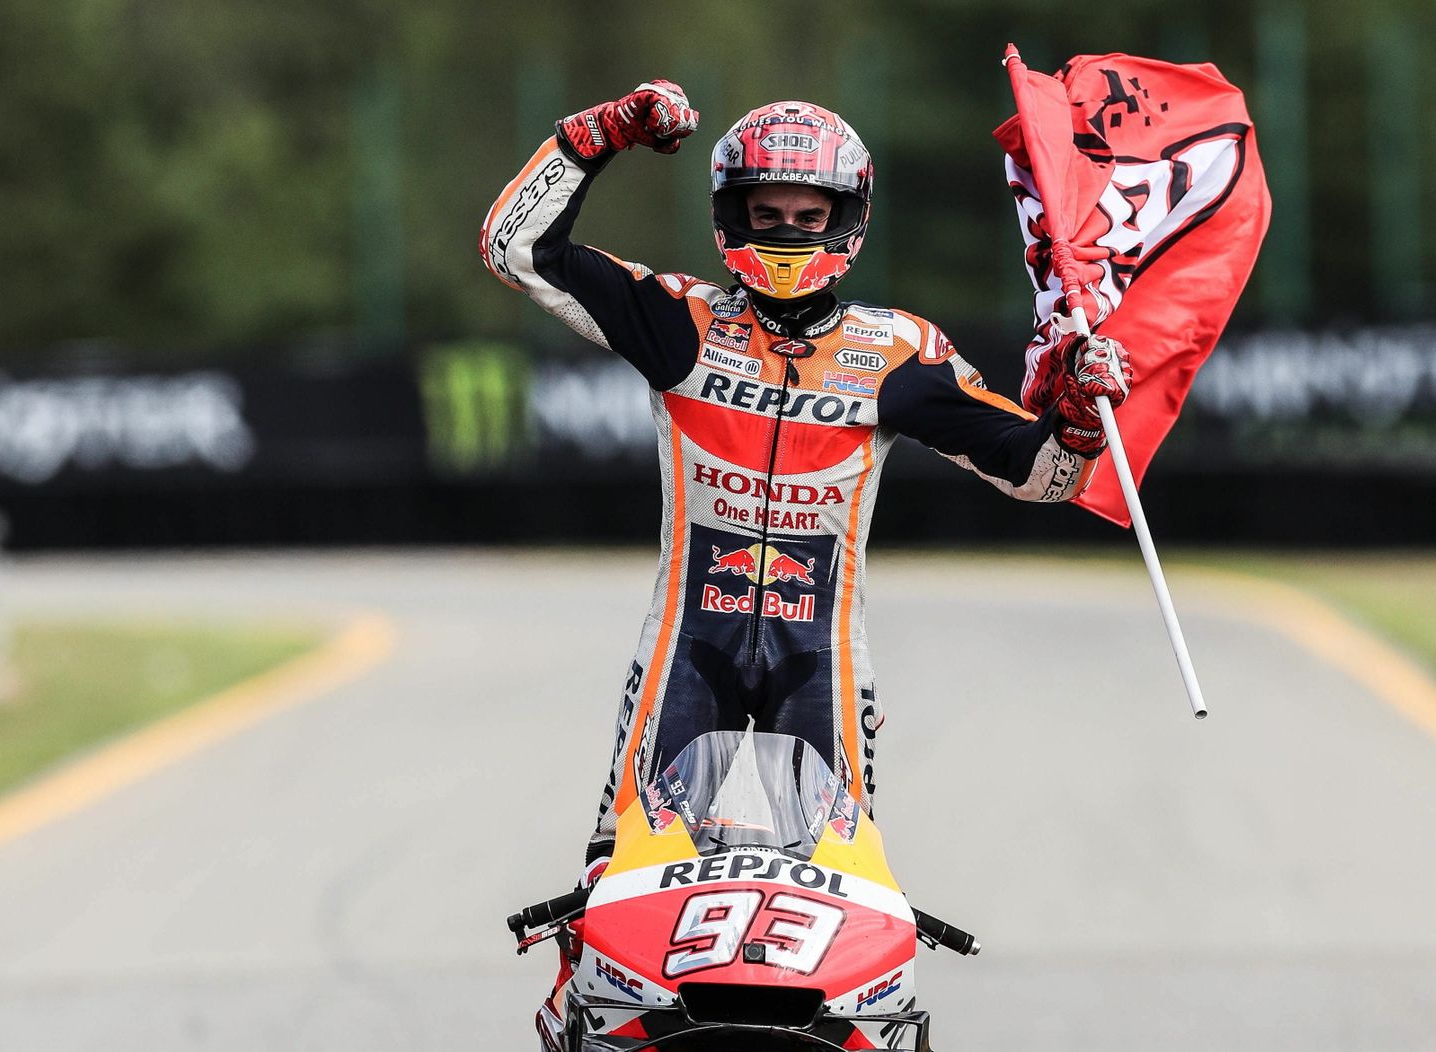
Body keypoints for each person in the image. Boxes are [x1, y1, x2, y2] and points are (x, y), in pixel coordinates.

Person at [480, 80, 1131, 1047]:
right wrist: (599, 132)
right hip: (685, 651)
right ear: (727, 215)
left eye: (807, 215)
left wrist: (1078, 415)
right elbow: (516, 251)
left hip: (820, 660)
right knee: (610, 894)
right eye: (765, 213)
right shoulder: (681, 323)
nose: (786, 232)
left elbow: (1040, 476)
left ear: (848, 221)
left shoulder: (898, 351)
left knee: (850, 917)